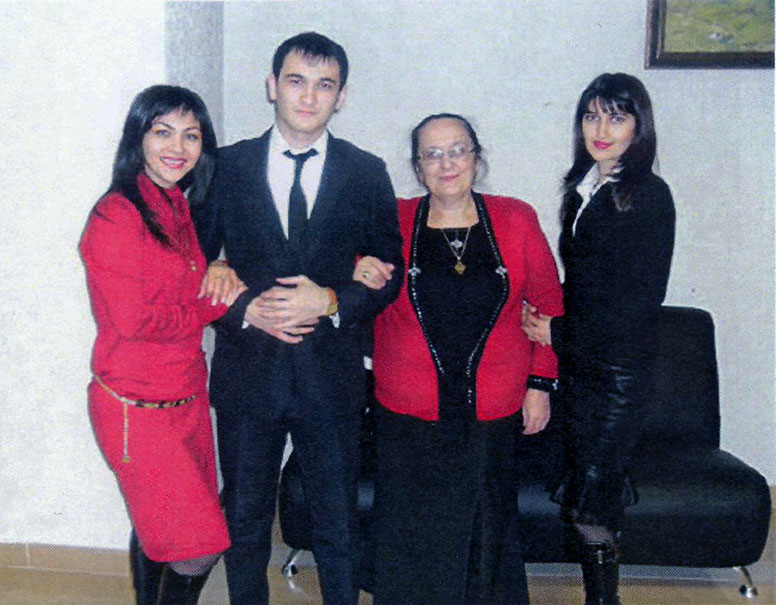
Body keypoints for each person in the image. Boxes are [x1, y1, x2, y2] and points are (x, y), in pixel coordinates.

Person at [191, 32, 403, 604]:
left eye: (324, 85)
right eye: (296, 81)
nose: (309, 97)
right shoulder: (226, 166)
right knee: (244, 522)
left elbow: (389, 272)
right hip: (247, 376)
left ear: (342, 96)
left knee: (337, 524)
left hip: (329, 377)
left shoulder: (366, 171)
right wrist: (244, 310)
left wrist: (331, 300)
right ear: (272, 86)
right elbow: (193, 264)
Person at [353, 113, 563, 604]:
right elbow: (344, 269)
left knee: (486, 532)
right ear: (417, 166)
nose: (446, 163)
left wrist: (540, 384)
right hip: (407, 411)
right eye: (432, 154)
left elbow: (549, 304)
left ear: (476, 156)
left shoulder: (516, 218)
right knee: (412, 533)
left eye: (457, 150)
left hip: (493, 407)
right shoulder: (392, 221)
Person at [80, 85, 245, 604]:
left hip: (184, 400)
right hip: (139, 410)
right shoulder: (117, 215)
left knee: (161, 531)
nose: (178, 147)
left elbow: (185, 279)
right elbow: (135, 320)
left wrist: (219, 266)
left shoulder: (174, 204)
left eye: (191, 135)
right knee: (199, 546)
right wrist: (214, 305)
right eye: (163, 132)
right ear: (138, 138)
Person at [522, 73, 675, 605]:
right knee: (590, 497)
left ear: (639, 126)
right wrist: (546, 312)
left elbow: (638, 302)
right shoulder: (585, 188)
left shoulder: (647, 195)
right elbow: (589, 283)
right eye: (592, 116)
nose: (601, 130)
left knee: (592, 502)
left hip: (617, 379)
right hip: (583, 370)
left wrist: (557, 330)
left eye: (616, 117)